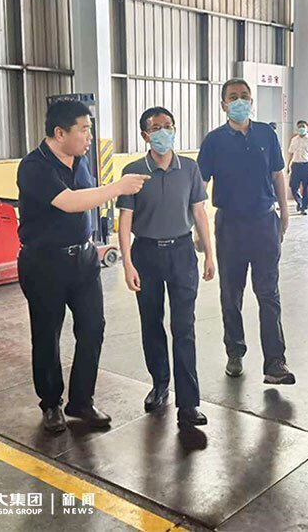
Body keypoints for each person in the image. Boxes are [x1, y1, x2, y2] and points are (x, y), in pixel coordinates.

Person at [17, 99, 148, 433]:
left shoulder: (81, 160)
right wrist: (118, 187)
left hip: (84, 260)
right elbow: (71, 202)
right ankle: (51, 404)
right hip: (44, 262)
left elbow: (87, 197)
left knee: (92, 327)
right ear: (60, 133)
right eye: (84, 129)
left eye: (90, 129)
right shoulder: (34, 166)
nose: (90, 136)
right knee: (46, 334)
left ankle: (81, 401)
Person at [117, 106, 214, 427]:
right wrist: (127, 264)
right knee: (151, 322)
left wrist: (209, 254)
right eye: (156, 127)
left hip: (182, 252)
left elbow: (199, 212)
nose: (163, 132)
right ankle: (160, 384)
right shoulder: (133, 172)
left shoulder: (189, 168)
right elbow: (125, 220)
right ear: (145, 135)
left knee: (184, 326)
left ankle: (189, 403)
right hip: (145, 254)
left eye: (168, 126)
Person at [197, 78, 295, 385]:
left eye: (244, 96)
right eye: (233, 97)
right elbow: (200, 186)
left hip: (264, 222)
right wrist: (198, 228)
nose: (239, 101)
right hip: (230, 226)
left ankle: (275, 362)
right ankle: (235, 351)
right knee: (231, 294)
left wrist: (284, 212)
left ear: (251, 101)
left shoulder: (266, 133)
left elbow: (277, 174)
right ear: (223, 104)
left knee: (269, 293)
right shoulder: (214, 141)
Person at [287, 120, 308, 215]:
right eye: (299, 127)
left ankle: (304, 207)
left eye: (303, 127)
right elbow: (291, 153)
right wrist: (288, 165)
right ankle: (299, 202)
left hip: (307, 165)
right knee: (293, 186)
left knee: (307, 188)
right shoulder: (294, 140)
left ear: (306, 128)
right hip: (296, 165)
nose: (301, 128)